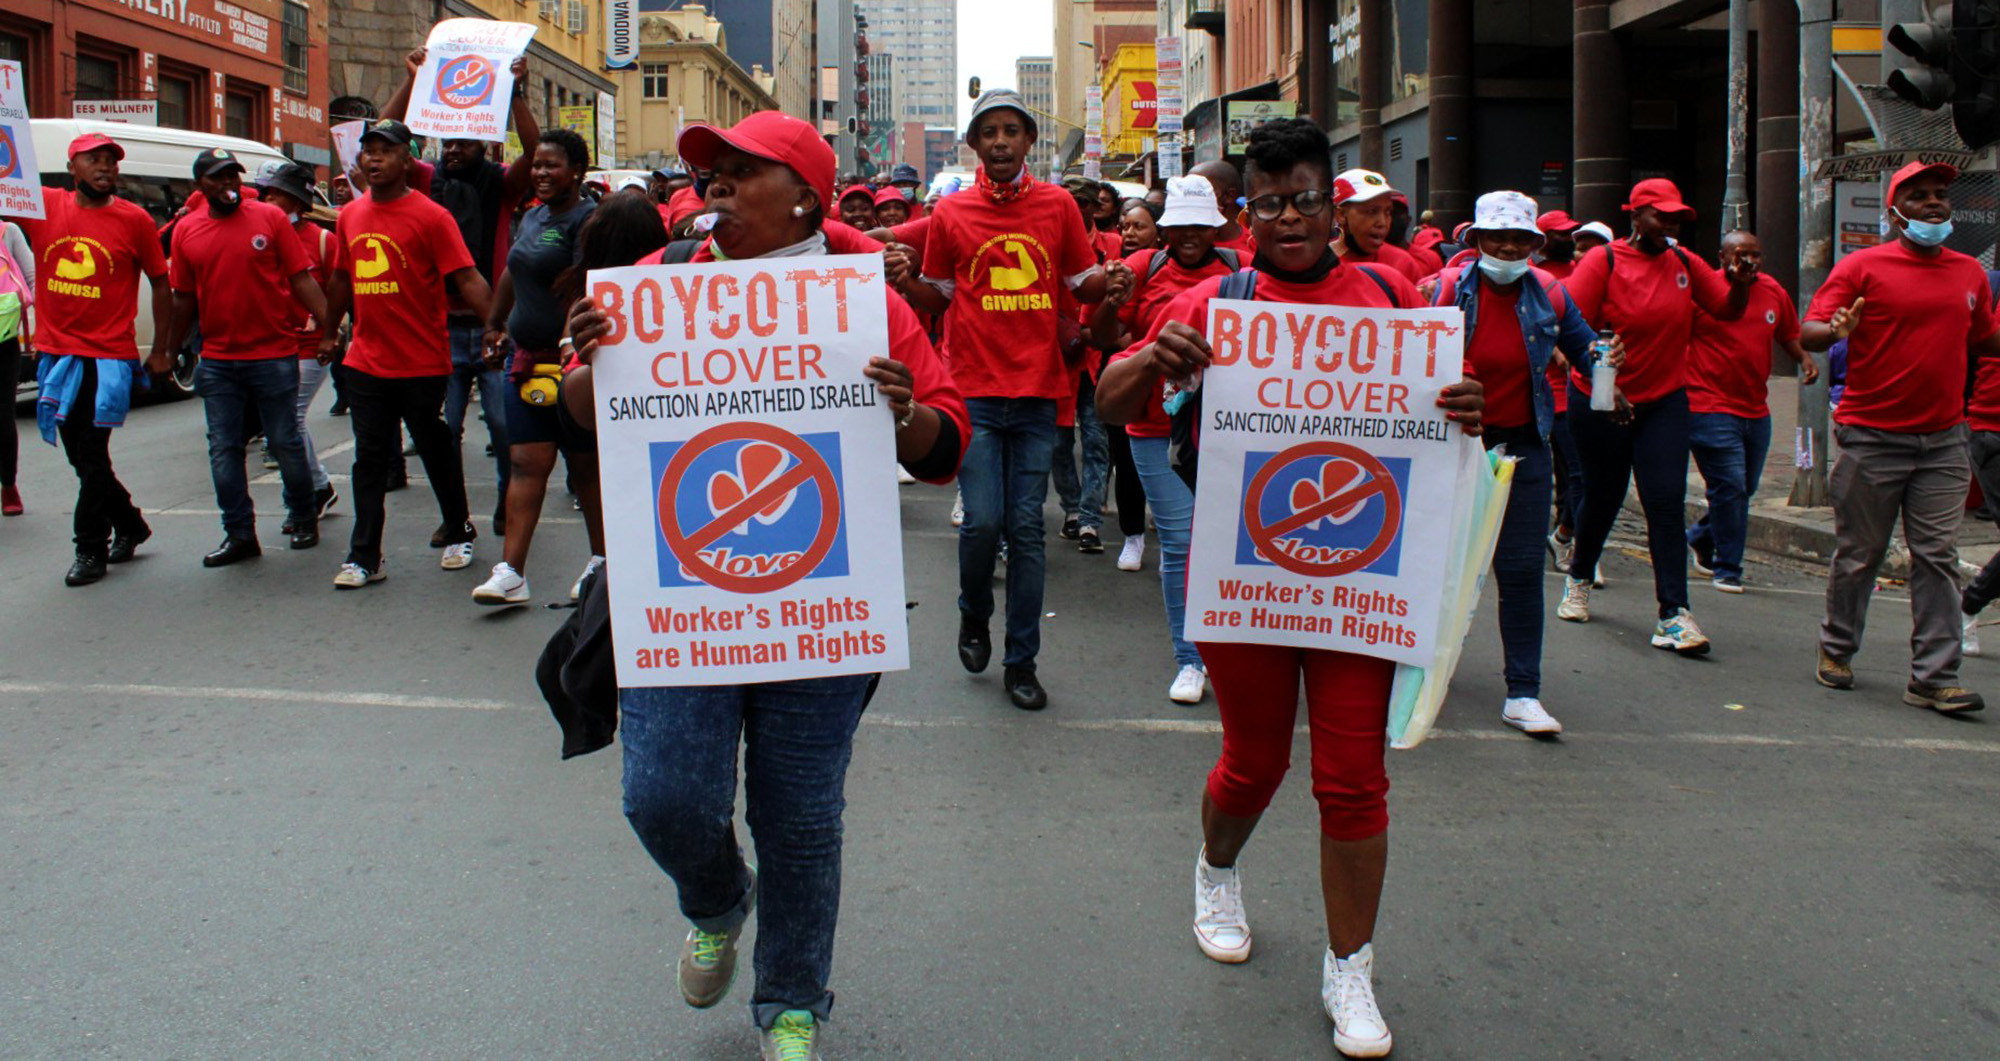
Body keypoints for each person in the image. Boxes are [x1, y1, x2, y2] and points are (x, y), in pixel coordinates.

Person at [564, 110, 970, 1061]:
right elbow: (585, 412)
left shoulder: (868, 305)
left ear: (804, 200)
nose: (716, 183)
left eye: (743, 170)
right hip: (682, 602)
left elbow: (945, 448)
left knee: (800, 819)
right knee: (663, 797)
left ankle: (790, 1000)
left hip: (819, 604)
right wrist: (593, 359)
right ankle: (717, 899)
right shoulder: (659, 283)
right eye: (710, 170)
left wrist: (904, 412)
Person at [1098, 117, 1483, 1059]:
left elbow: (1450, 416)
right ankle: (1216, 867)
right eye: (1270, 204)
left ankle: (1349, 965)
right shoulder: (1216, 298)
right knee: (1254, 762)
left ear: (1333, 202)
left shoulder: (1392, 296)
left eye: (1307, 199)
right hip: (1249, 579)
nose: (1291, 219)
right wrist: (1152, 356)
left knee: (1353, 781)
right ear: (1247, 215)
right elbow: (1110, 400)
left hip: (1362, 580)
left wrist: (1467, 404)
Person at [885, 88, 1109, 711]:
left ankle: (1022, 662)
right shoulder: (952, 214)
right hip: (972, 393)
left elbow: (1082, 283)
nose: (1002, 141)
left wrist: (1113, 281)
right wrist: (907, 284)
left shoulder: (1058, 205)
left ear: (1029, 140)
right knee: (982, 522)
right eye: (989, 132)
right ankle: (973, 611)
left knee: (1027, 531)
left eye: (1012, 130)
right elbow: (938, 296)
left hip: (1038, 393)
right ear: (974, 145)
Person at [1802, 160, 1996, 713]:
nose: (1934, 203)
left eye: (1940, 195)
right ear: (1893, 213)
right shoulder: (1862, 267)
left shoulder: (1969, 273)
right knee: (1860, 555)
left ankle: (1934, 677)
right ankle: (1837, 648)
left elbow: (1984, 339)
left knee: (1937, 557)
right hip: (1872, 438)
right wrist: (1834, 331)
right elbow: (1810, 331)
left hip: (1944, 441)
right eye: (1920, 196)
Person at [1426, 191, 1608, 736]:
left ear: (1535, 244)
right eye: (1497, 238)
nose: (1508, 248)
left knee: (1523, 570)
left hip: (1524, 446)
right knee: (1436, 565)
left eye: (1519, 239)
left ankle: (1523, 692)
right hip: (1453, 443)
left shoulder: (1549, 293)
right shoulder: (1446, 291)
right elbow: (1415, 360)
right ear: (1477, 240)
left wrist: (1605, 362)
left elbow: (1587, 351)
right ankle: (1420, 671)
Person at [1555, 178, 1749, 653]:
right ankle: (1579, 576)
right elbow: (1567, 324)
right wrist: (1605, 377)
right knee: (1604, 495)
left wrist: (1741, 284)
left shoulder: (1684, 263)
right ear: (1635, 216)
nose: (1670, 224)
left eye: (1677, 217)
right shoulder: (1604, 261)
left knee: (1664, 501)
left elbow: (1725, 309)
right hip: (1601, 398)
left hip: (1663, 400)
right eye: (1661, 216)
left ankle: (1673, 614)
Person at [317, 119, 493, 589]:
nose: (373, 159)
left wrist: (497, 328)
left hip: (421, 360)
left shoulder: (432, 217)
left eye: (385, 151)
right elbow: (341, 279)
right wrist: (329, 332)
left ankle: (458, 528)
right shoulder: (351, 216)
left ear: (407, 160)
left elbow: (467, 277)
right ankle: (364, 556)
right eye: (368, 151)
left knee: (434, 446)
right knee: (370, 458)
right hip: (366, 360)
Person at [1092, 174, 1244, 705]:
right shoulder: (1142, 267)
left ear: (1216, 227)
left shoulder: (1241, 269)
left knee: (1229, 544)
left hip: (1229, 433)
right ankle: (1190, 659)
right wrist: (1112, 300)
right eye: (1179, 226)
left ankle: (1234, 648)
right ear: (1165, 229)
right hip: (1155, 428)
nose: (1189, 236)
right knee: (1179, 543)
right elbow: (1103, 338)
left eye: (1200, 226)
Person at [385, 45, 540, 536]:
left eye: (465, 144)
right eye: (448, 142)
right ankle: (455, 517)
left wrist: (516, 94)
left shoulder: (502, 184)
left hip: (492, 326)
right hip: (439, 329)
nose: (453, 150)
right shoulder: (426, 179)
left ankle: (507, 503)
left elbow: (534, 153)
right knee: (443, 428)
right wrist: (413, 81)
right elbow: (385, 137)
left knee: (502, 424)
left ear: (485, 147)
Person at [15, 133, 170, 586]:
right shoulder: (44, 205)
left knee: (91, 453)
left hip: (108, 359)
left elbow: (161, 282)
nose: (105, 167)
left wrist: (163, 349)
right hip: (58, 354)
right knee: (82, 459)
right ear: (72, 167)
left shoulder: (135, 220)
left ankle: (89, 549)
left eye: (111, 161)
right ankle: (130, 523)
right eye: (94, 159)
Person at [162, 148, 328, 564]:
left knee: (285, 440)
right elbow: (183, 298)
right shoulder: (187, 230)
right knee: (224, 448)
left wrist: (330, 326)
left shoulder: (270, 218)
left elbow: (301, 279)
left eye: (233, 176)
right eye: (218, 177)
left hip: (274, 353)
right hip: (218, 359)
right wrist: (169, 349)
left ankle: (304, 516)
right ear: (200, 185)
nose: (228, 184)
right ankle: (239, 534)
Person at [473, 129, 603, 606]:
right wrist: (494, 323)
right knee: (526, 464)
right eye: (536, 165)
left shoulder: (589, 221)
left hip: (571, 368)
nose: (541, 173)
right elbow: (513, 270)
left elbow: (584, 285)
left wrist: (571, 347)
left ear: (577, 172)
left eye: (552, 165)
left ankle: (601, 564)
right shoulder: (531, 216)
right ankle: (511, 573)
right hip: (525, 362)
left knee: (585, 468)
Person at [1685, 231, 1818, 593]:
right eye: (1740, 254)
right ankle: (1728, 568)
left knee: (1743, 488)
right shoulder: (1704, 291)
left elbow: (1787, 332)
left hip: (1755, 408)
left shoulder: (1773, 290)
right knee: (1730, 486)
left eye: (1755, 255)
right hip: (1708, 404)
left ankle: (1700, 537)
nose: (1749, 261)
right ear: (1722, 257)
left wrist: (1804, 359)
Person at [252, 161, 342, 533]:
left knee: (289, 419)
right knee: (283, 423)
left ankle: (311, 492)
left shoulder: (322, 240)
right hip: (272, 343)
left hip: (310, 345)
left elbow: (340, 288)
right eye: (267, 193)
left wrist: (330, 330)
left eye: (278, 194)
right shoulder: (258, 235)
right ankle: (319, 486)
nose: (269, 199)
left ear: (297, 201)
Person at [1330, 169, 1426, 282]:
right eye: (1371, 211)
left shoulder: (1402, 263)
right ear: (1341, 215)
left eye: (1388, 212)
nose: (1383, 223)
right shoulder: (1317, 266)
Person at [0, 213, 34, 516]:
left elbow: (32, 278)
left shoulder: (8, 231)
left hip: (4, 338)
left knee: (3, 417)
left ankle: (8, 484)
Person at [1190, 160, 1253, 255]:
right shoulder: (1181, 248)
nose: (1189, 198)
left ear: (1229, 196)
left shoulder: (1255, 244)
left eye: (1200, 191)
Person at [1534, 210, 1583, 279]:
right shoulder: (1529, 270)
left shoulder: (1579, 267)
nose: (1571, 238)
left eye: (1572, 233)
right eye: (1564, 233)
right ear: (1544, 238)